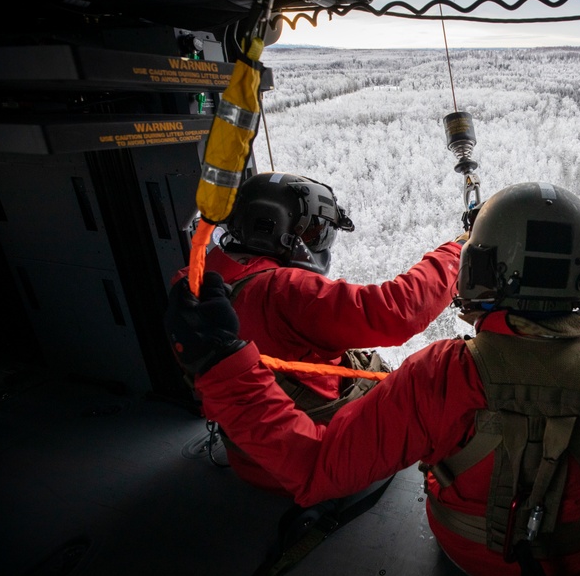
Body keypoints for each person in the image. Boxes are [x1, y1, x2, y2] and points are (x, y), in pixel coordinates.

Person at [166, 181, 580, 576]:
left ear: (476, 272)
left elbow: (315, 471)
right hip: (574, 564)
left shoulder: (439, 376)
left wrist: (221, 368)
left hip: (462, 549)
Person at [172, 171, 464, 494]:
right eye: (314, 232)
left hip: (251, 458)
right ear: (275, 228)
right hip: (314, 454)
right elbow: (393, 312)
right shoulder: (285, 291)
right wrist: (456, 255)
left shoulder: (199, 281)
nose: (320, 242)